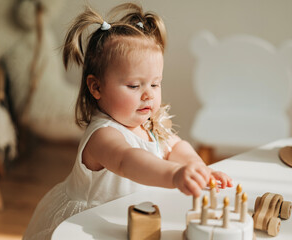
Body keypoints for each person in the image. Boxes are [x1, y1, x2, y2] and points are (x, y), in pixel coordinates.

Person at [23, 3, 233, 239]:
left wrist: (197, 167)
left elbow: (176, 146)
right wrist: (174, 175)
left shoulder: (150, 122)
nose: (148, 95)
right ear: (96, 87)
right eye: (134, 85)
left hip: (131, 216)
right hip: (89, 224)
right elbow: (128, 161)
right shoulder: (103, 135)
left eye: (155, 84)